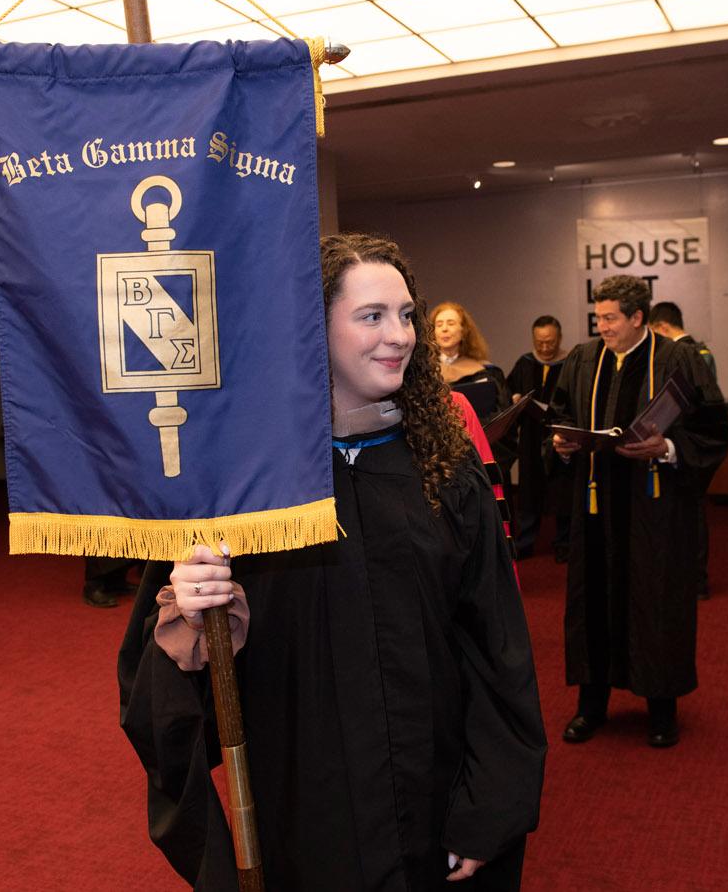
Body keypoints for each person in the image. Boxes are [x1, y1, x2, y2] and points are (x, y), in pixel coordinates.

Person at [118, 232, 546, 891]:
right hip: (305, 820)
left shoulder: (444, 471)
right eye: (371, 316)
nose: (400, 335)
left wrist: (489, 808)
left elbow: (498, 651)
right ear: (309, 327)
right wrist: (191, 625)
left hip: (433, 804)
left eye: (406, 315)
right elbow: (164, 697)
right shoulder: (242, 489)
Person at [549, 275, 728, 748]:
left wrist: (668, 446)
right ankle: (591, 707)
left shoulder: (678, 359)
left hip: (655, 508)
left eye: (610, 318)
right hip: (594, 503)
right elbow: (563, 414)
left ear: (637, 318)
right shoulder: (583, 359)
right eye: (597, 317)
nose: (601, 326)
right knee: (593, 600)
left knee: (655, 601)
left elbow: (713, 430)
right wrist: (563, 444)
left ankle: (661, 710)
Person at [647, 301, 724, 600]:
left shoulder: (688, 354)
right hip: (685, 442)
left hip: (687, 441)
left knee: (691, 514)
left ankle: (696, 580)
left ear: (662, 328)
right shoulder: (700, 351)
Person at [506, 316, 570, 560]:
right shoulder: (524, 363)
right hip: (531, 438)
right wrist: (515, 399)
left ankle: (563, 543)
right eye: (540, 342)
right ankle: (525, 542)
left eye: (550, 342)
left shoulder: (570, 362)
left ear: (559, 338)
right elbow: (509, 388)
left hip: (559, 435)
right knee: (529, 489)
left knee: (562, 488)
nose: (545, 348)